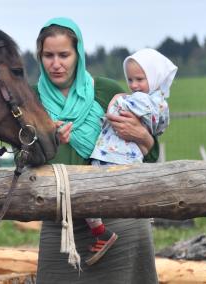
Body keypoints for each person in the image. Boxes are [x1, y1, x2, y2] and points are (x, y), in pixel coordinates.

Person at [34, 17, 160, 283]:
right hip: (62, 228)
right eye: (48, 55)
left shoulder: (107, 91)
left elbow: (148, 156)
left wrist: (142, 137)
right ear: (39, 56)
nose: (56, 64)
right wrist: (46, 140)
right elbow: (24, 160)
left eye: (64, 55)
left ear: (78, 55)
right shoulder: (30, 100)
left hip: (120, 219)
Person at [85, 48, 178, 265]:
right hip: (116, 154)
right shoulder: (157, 103)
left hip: (116, 155)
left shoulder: (149, 101)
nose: (134, 85)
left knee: (87, 196)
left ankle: (103, 233)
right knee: (89, 198)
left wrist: (117, 98)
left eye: (140, 79)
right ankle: (101, 233)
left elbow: (116, 110)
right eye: (130, 79)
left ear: (154, 78)